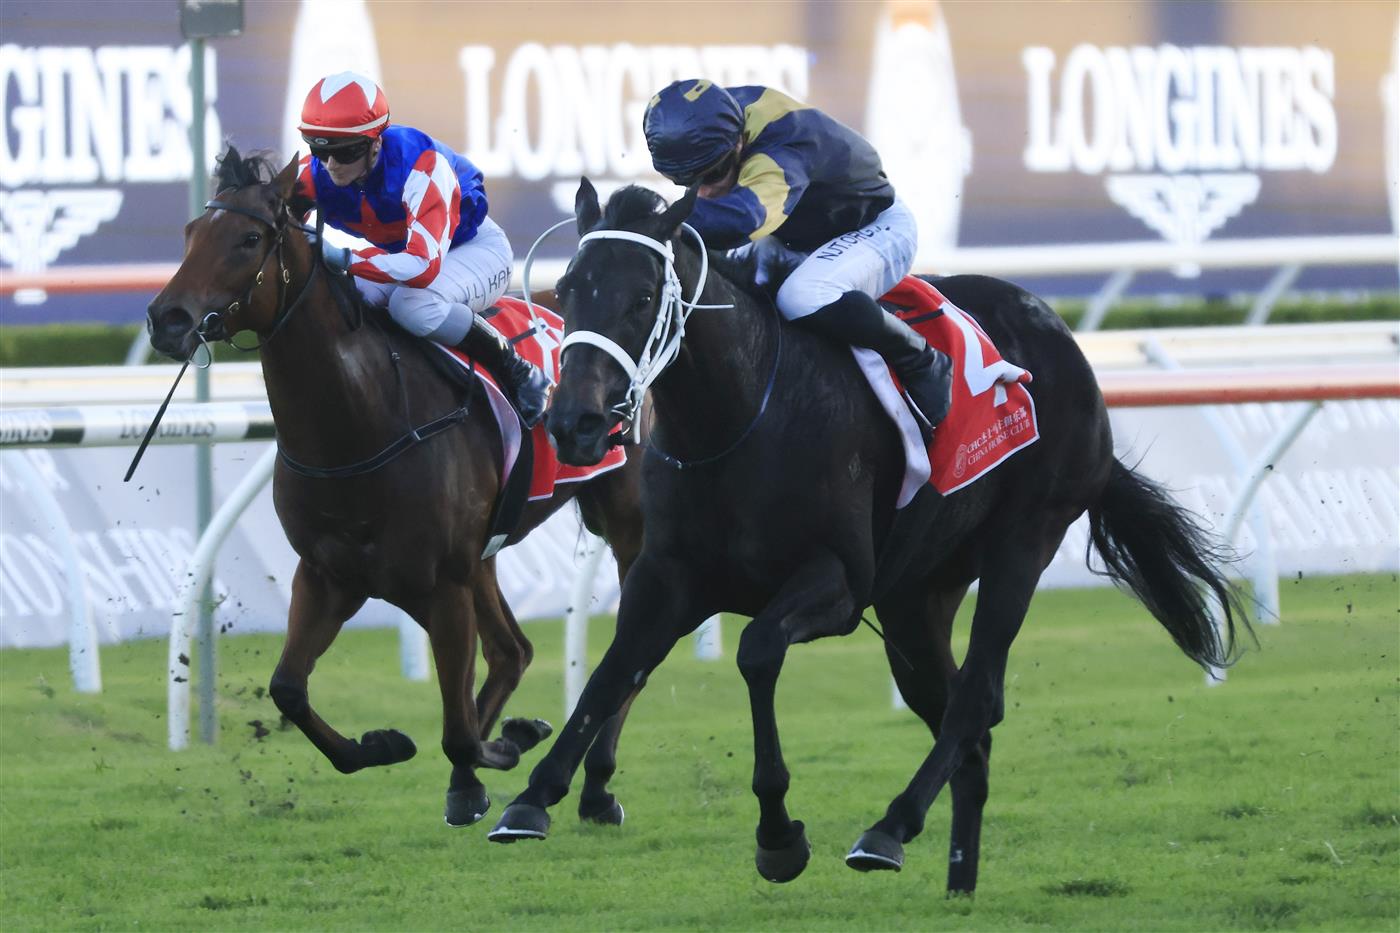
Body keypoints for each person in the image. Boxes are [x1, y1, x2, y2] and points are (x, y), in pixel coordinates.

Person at [643, 79, 953, 431]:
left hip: (874, 229)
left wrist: (656, 217)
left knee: (800, 296)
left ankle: (920, 359)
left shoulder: (786, 144)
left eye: (713, 173)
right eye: (688, 181)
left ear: (739, 141)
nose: (706, 191)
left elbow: (746, 217)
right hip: (796, 232)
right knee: (731, 283)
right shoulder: (716, 115)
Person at [295, 71, 549, 426]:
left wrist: (343, 258)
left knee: (412, 306)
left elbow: (421, 266)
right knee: (345, 301)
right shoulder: (318, 171)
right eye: (320, 149)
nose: (331, 165)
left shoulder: (422, 166)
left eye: (345, 152)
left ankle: (518, 369)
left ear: (375, 143)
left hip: (473, 250)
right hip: (404, 254)